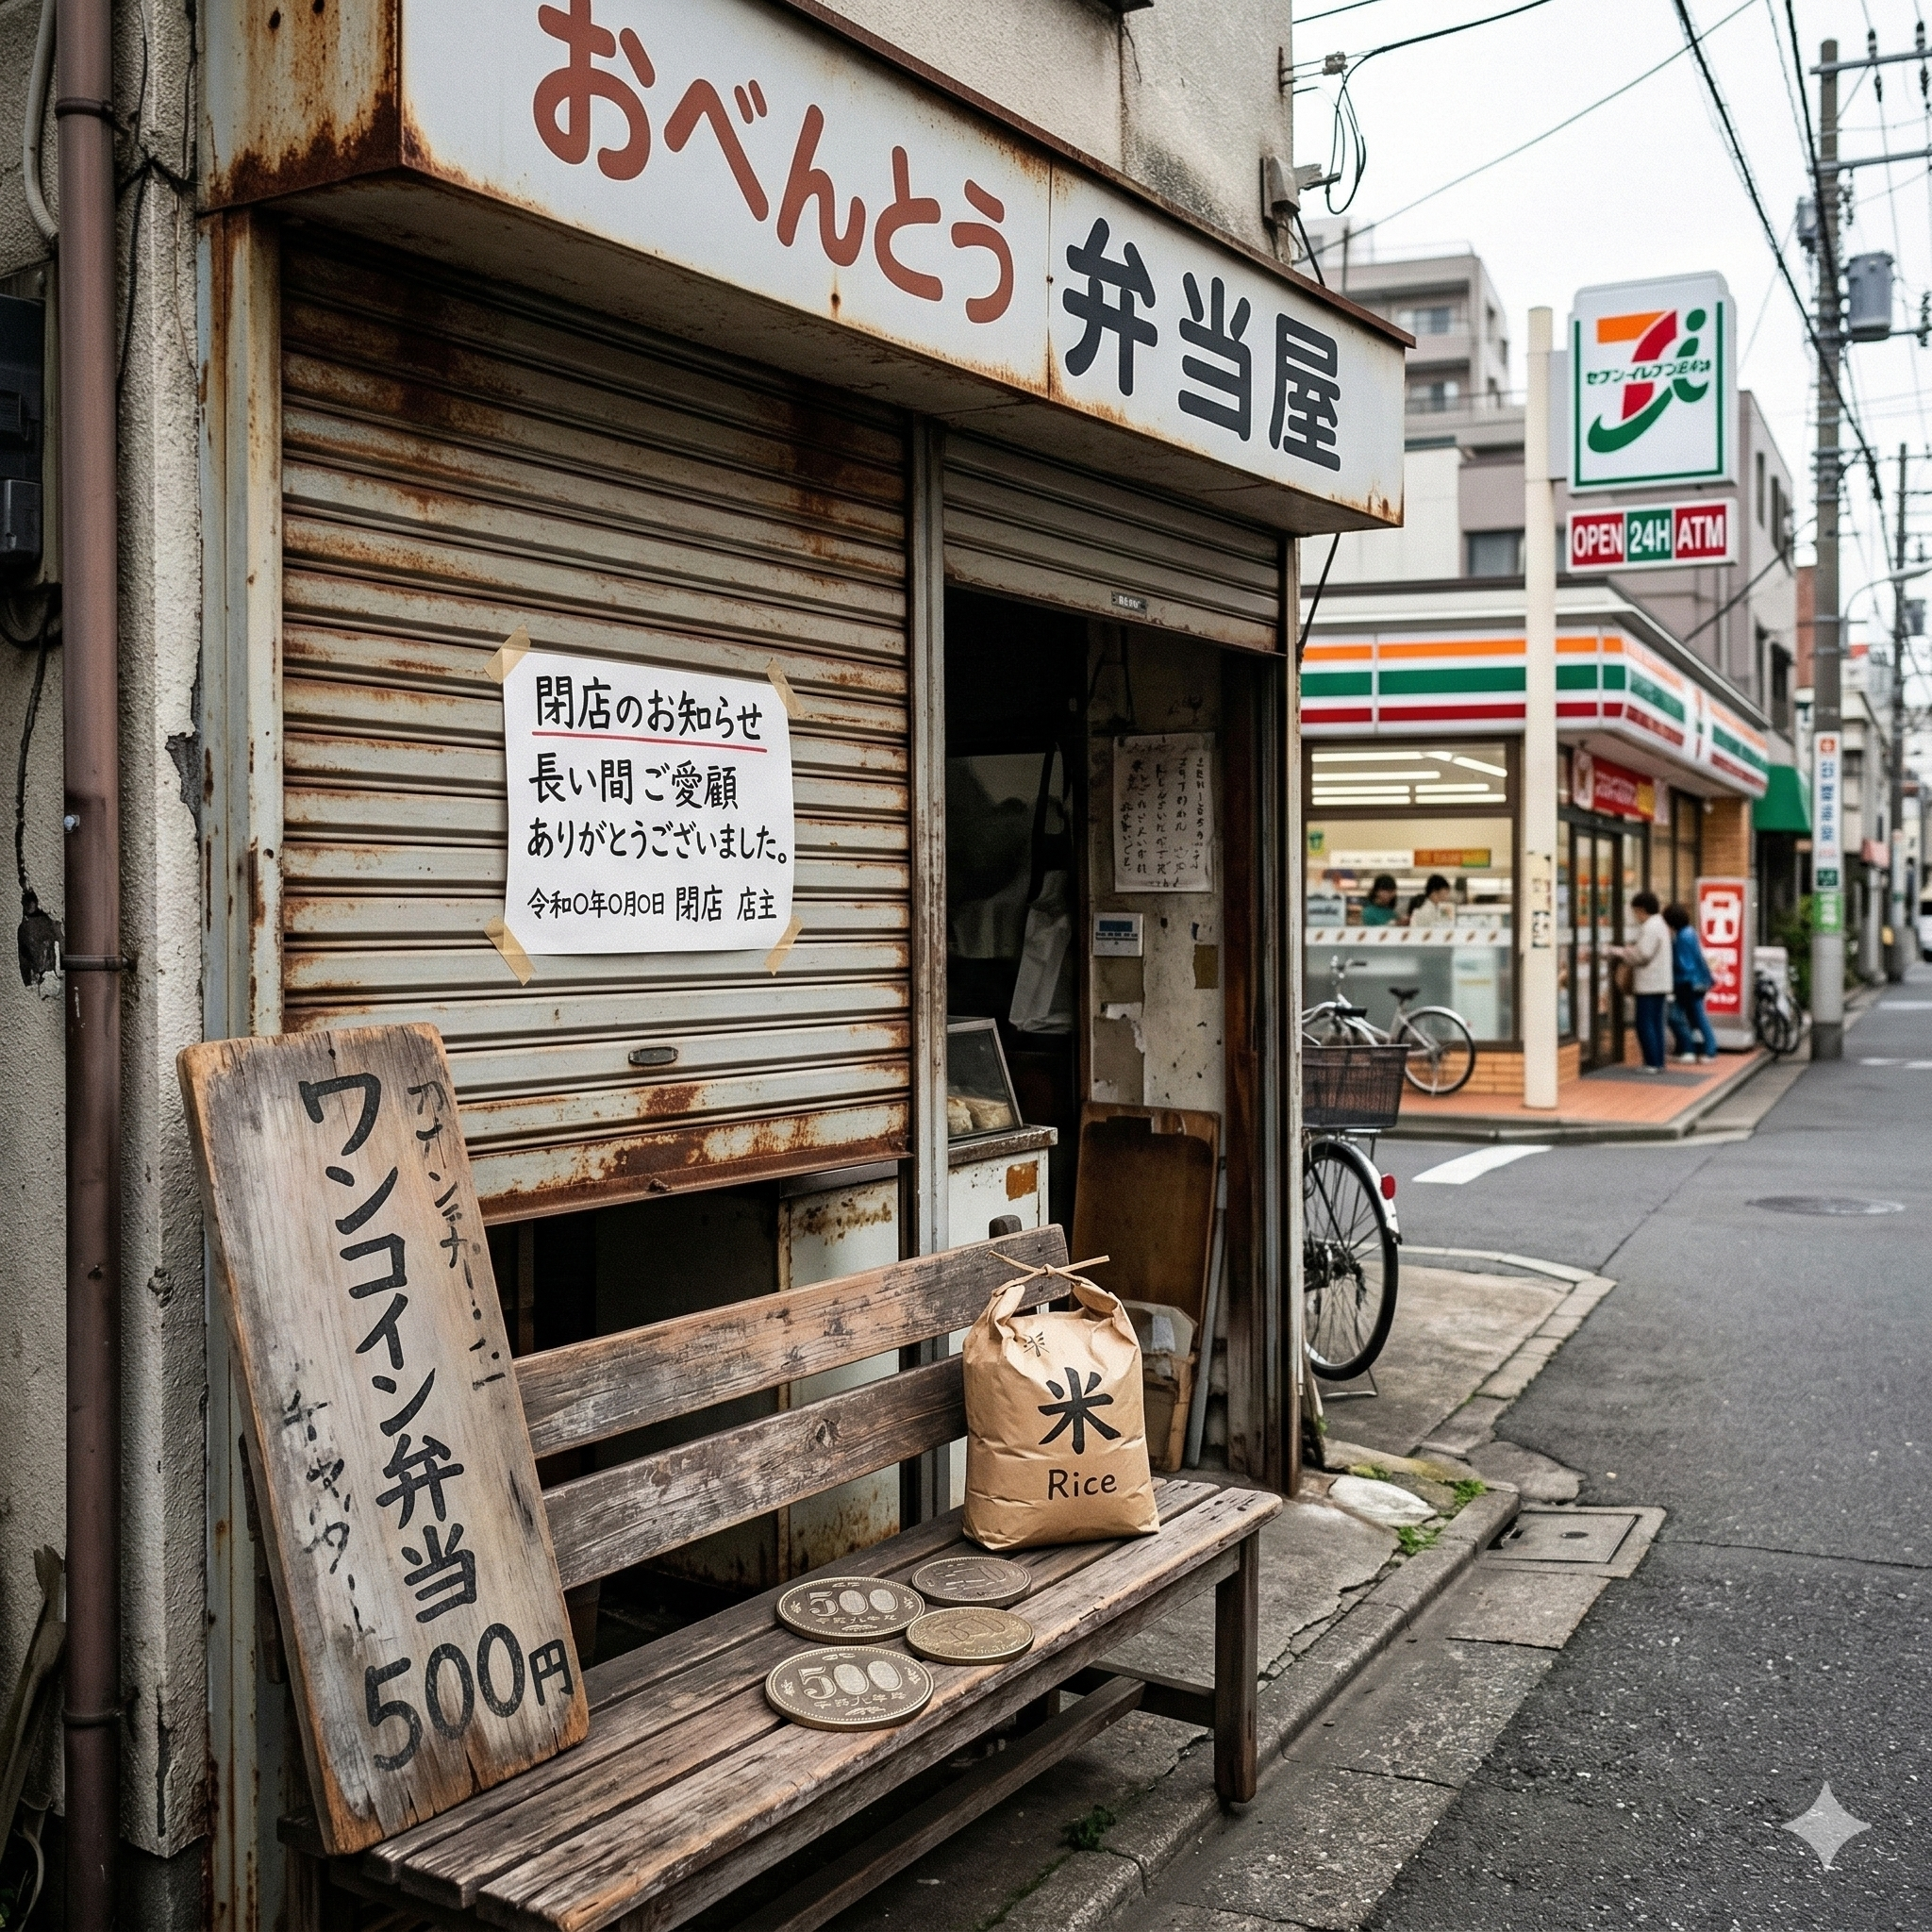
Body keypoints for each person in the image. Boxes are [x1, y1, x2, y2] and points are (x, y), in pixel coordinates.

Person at [1608, 889, 1673, 1072]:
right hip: (1659, 983)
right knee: (1656, 1023)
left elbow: (1642, 954)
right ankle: (1658, 1062)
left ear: (1642, 909)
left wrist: (1621, 952)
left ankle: (1651, 1063)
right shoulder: (1660, 924)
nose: (1635, 915)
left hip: (1649, 983)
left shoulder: (1651, 926)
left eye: (1635, 911)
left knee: (1645, 1023)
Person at [1663, 902, 1719, 1063]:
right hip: (1697, 982)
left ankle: (1698, 1050)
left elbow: (1684, 964)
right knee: (1696, 1016)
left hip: (1688, 984)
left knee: (1678, 1016)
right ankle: (1701, 1050)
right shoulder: (1689, 933)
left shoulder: (1682, 937)